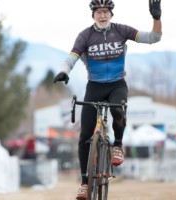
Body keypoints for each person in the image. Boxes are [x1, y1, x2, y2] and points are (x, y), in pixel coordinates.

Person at [54, 0, 162, 199]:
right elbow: (72, 57)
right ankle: (85, 183)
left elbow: (154, 37)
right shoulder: (85, 36)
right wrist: (63, 71)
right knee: (84, 135)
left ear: (111, 14)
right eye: (98, 12)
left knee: (118, 110)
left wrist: (156, 18)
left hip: (116, 84)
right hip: (94, 86)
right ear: (93, 15)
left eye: (105, 12)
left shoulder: (121, 31)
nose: (102, 16)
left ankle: (117, 145)